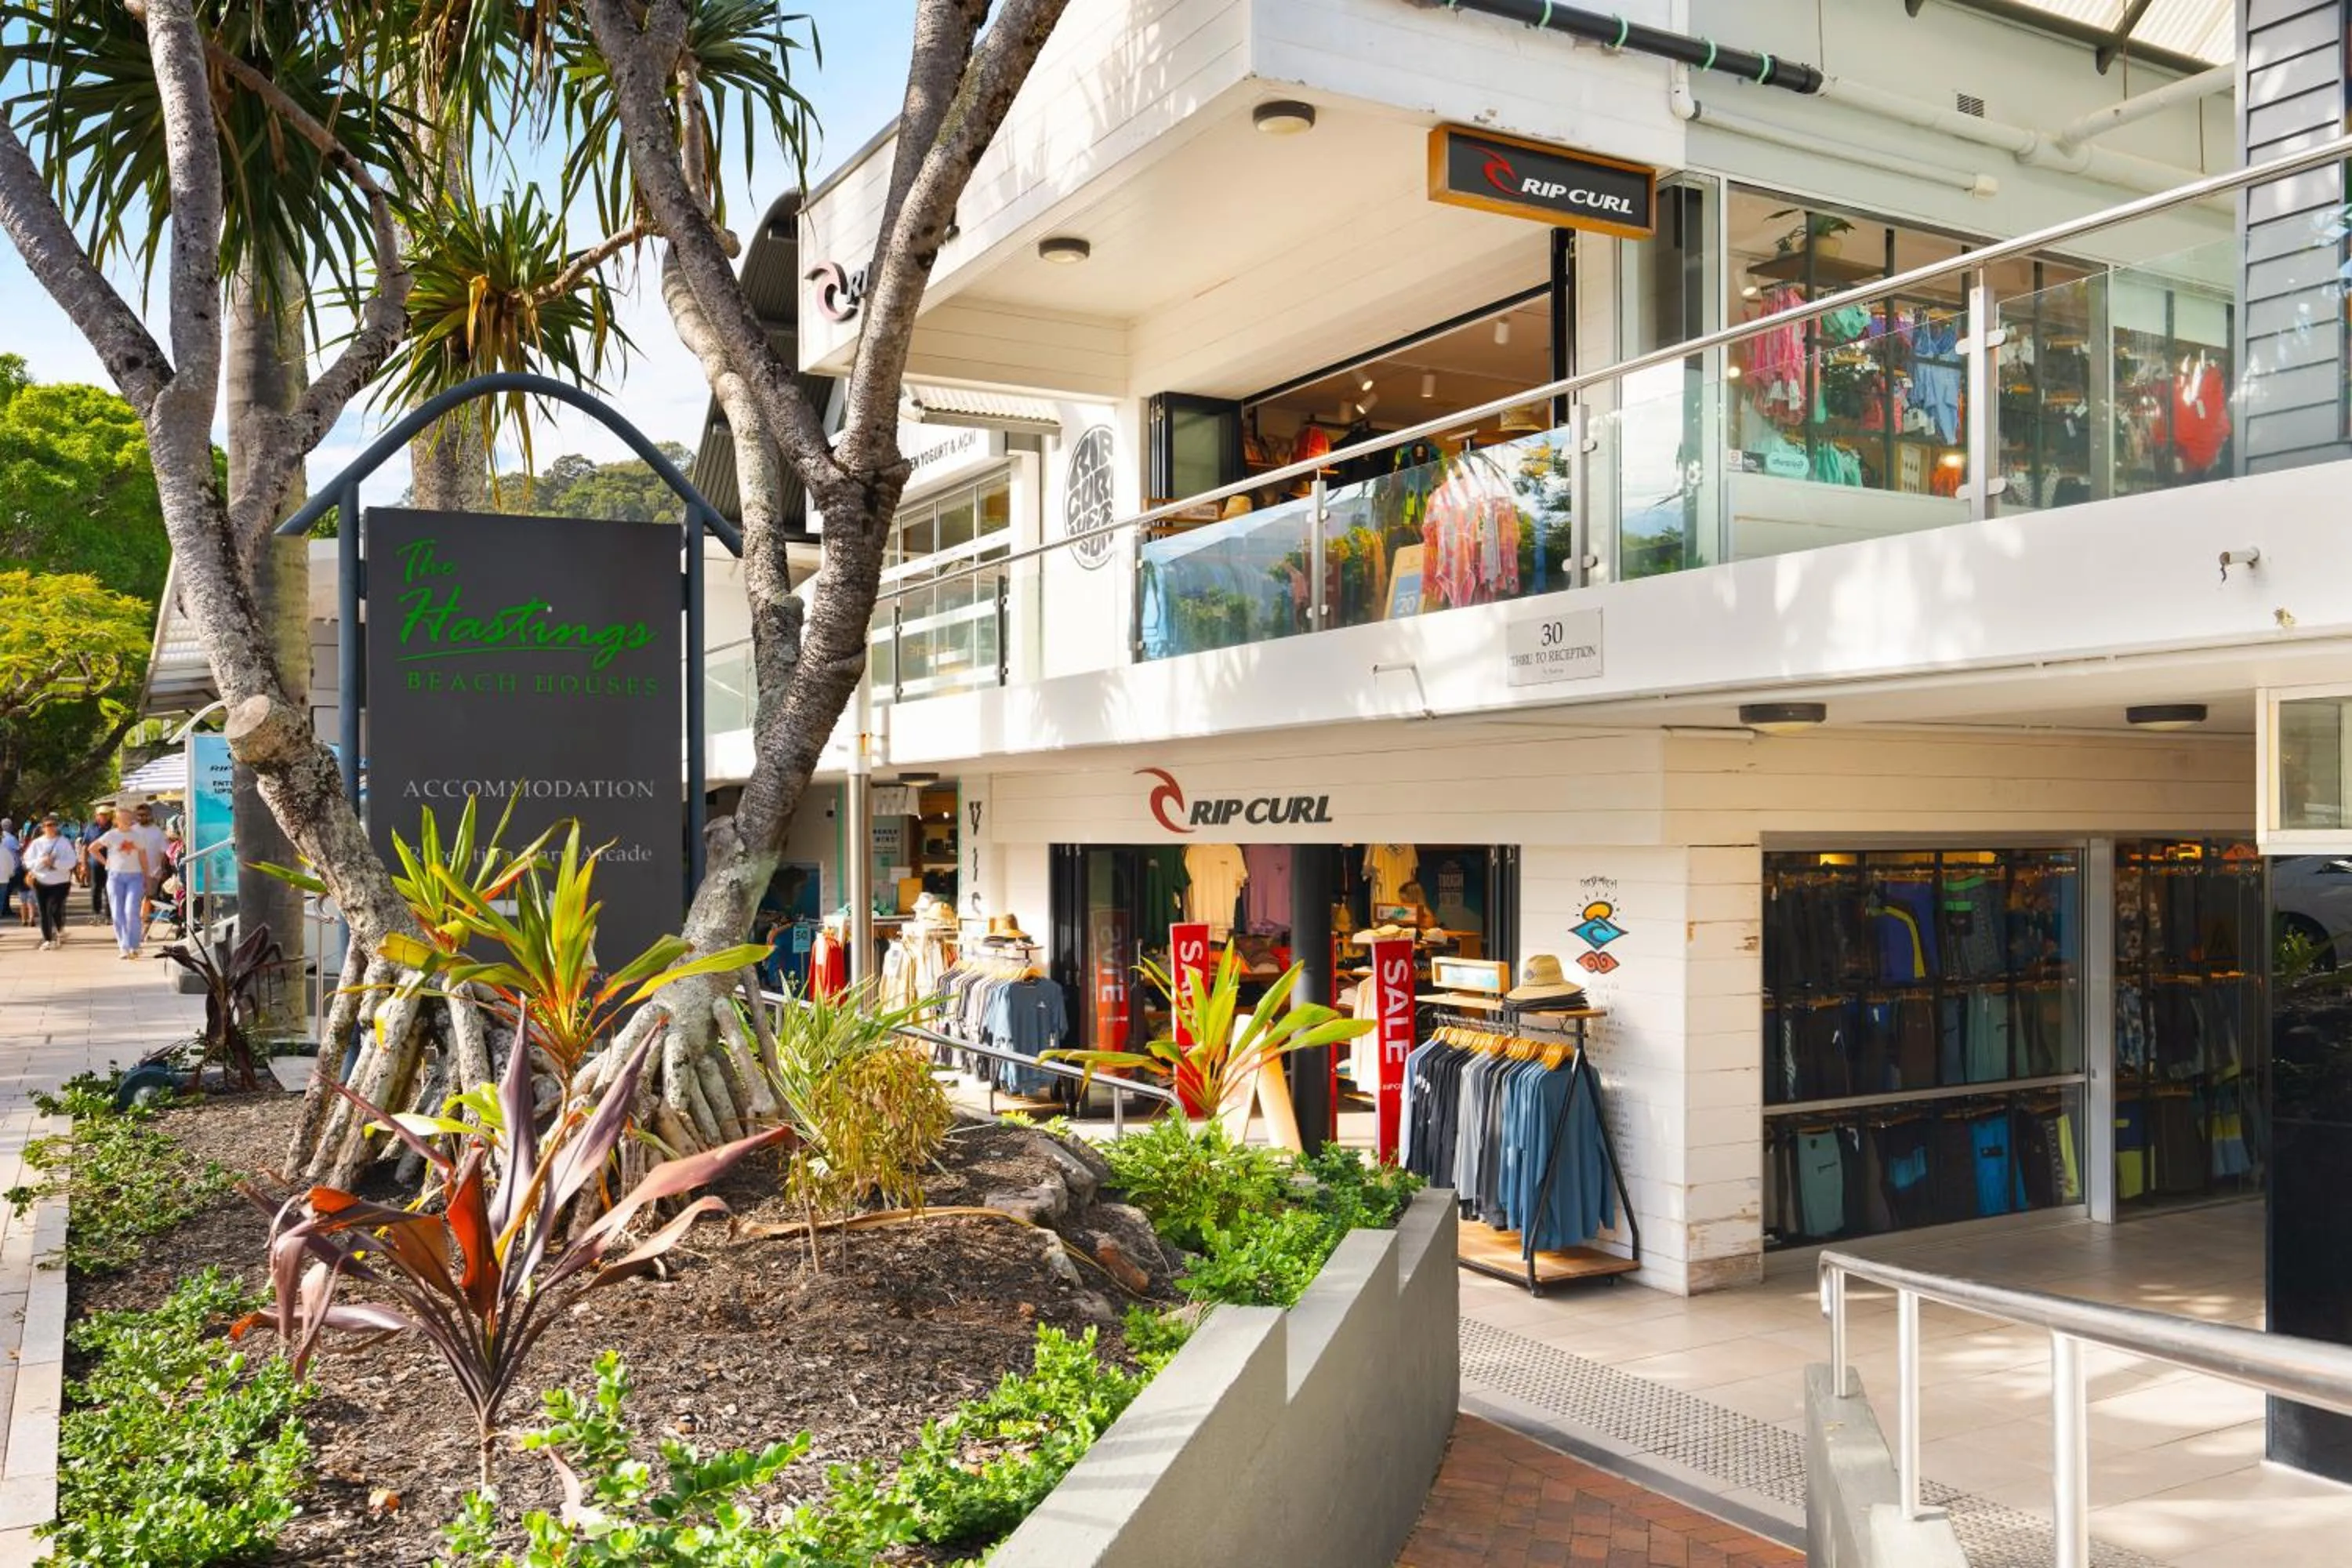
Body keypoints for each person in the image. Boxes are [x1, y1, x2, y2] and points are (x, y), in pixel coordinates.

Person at [87, 808, 153, 960]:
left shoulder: (138, 836)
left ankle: (134, 945)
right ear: (117, 820)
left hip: (135, 877)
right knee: (117, 912)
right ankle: (124, 947)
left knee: (131, 911)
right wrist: (105, 862)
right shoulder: (111, 835)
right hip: (115, 877)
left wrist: (146, 877)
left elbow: (143, 858)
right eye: (122, 819)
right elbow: (92, 848)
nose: (125, 822)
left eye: (128, 819)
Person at [22, 816, 77, 950]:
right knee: (43, 911)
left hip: (60, 883)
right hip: (40, 882)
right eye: (47, 825)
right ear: (42, 828)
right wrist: (42, 861)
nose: (50, 827)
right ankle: (47, 939)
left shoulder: (64, 843)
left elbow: (72, 862)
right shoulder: (36, 843)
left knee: (54, 908)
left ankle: (59, 927)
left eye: (53, 825)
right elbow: (27, 861)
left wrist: (54, 863)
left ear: (57, 826)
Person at [130, 802, 170, 930]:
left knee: (149, 898)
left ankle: (145, 924)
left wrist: (161, 868)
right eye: (140, 815)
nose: (143, 817)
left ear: (150, 816)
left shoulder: (157, 832)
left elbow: (164, 852)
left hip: (153, 872)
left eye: (146, 815)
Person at [0, 818, 17, 921]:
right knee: (2, 899)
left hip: (4, 877)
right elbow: (12, 863)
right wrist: (11, 873)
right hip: (4, 878)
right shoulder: (6, 849)